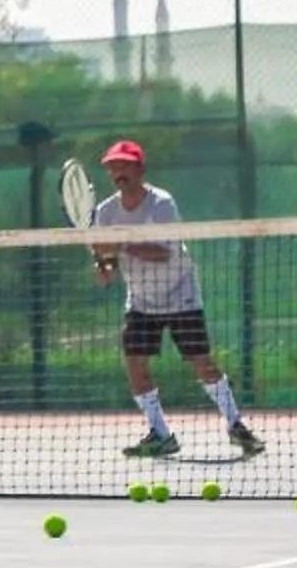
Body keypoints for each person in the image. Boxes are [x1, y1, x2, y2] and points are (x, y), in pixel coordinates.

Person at [89, 138, 263, 462]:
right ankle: (160, 434)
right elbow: (106, 266)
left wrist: (121, 246)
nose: (118, 172)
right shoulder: (105, 212)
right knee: (135, 365)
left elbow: (163, 252)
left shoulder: (161, 203)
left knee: (203, 364)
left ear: (140, 168)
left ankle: (237, 425)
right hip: (141, 300)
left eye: (124, 165)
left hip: (180, 293)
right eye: (113, 167)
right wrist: (103, 267)